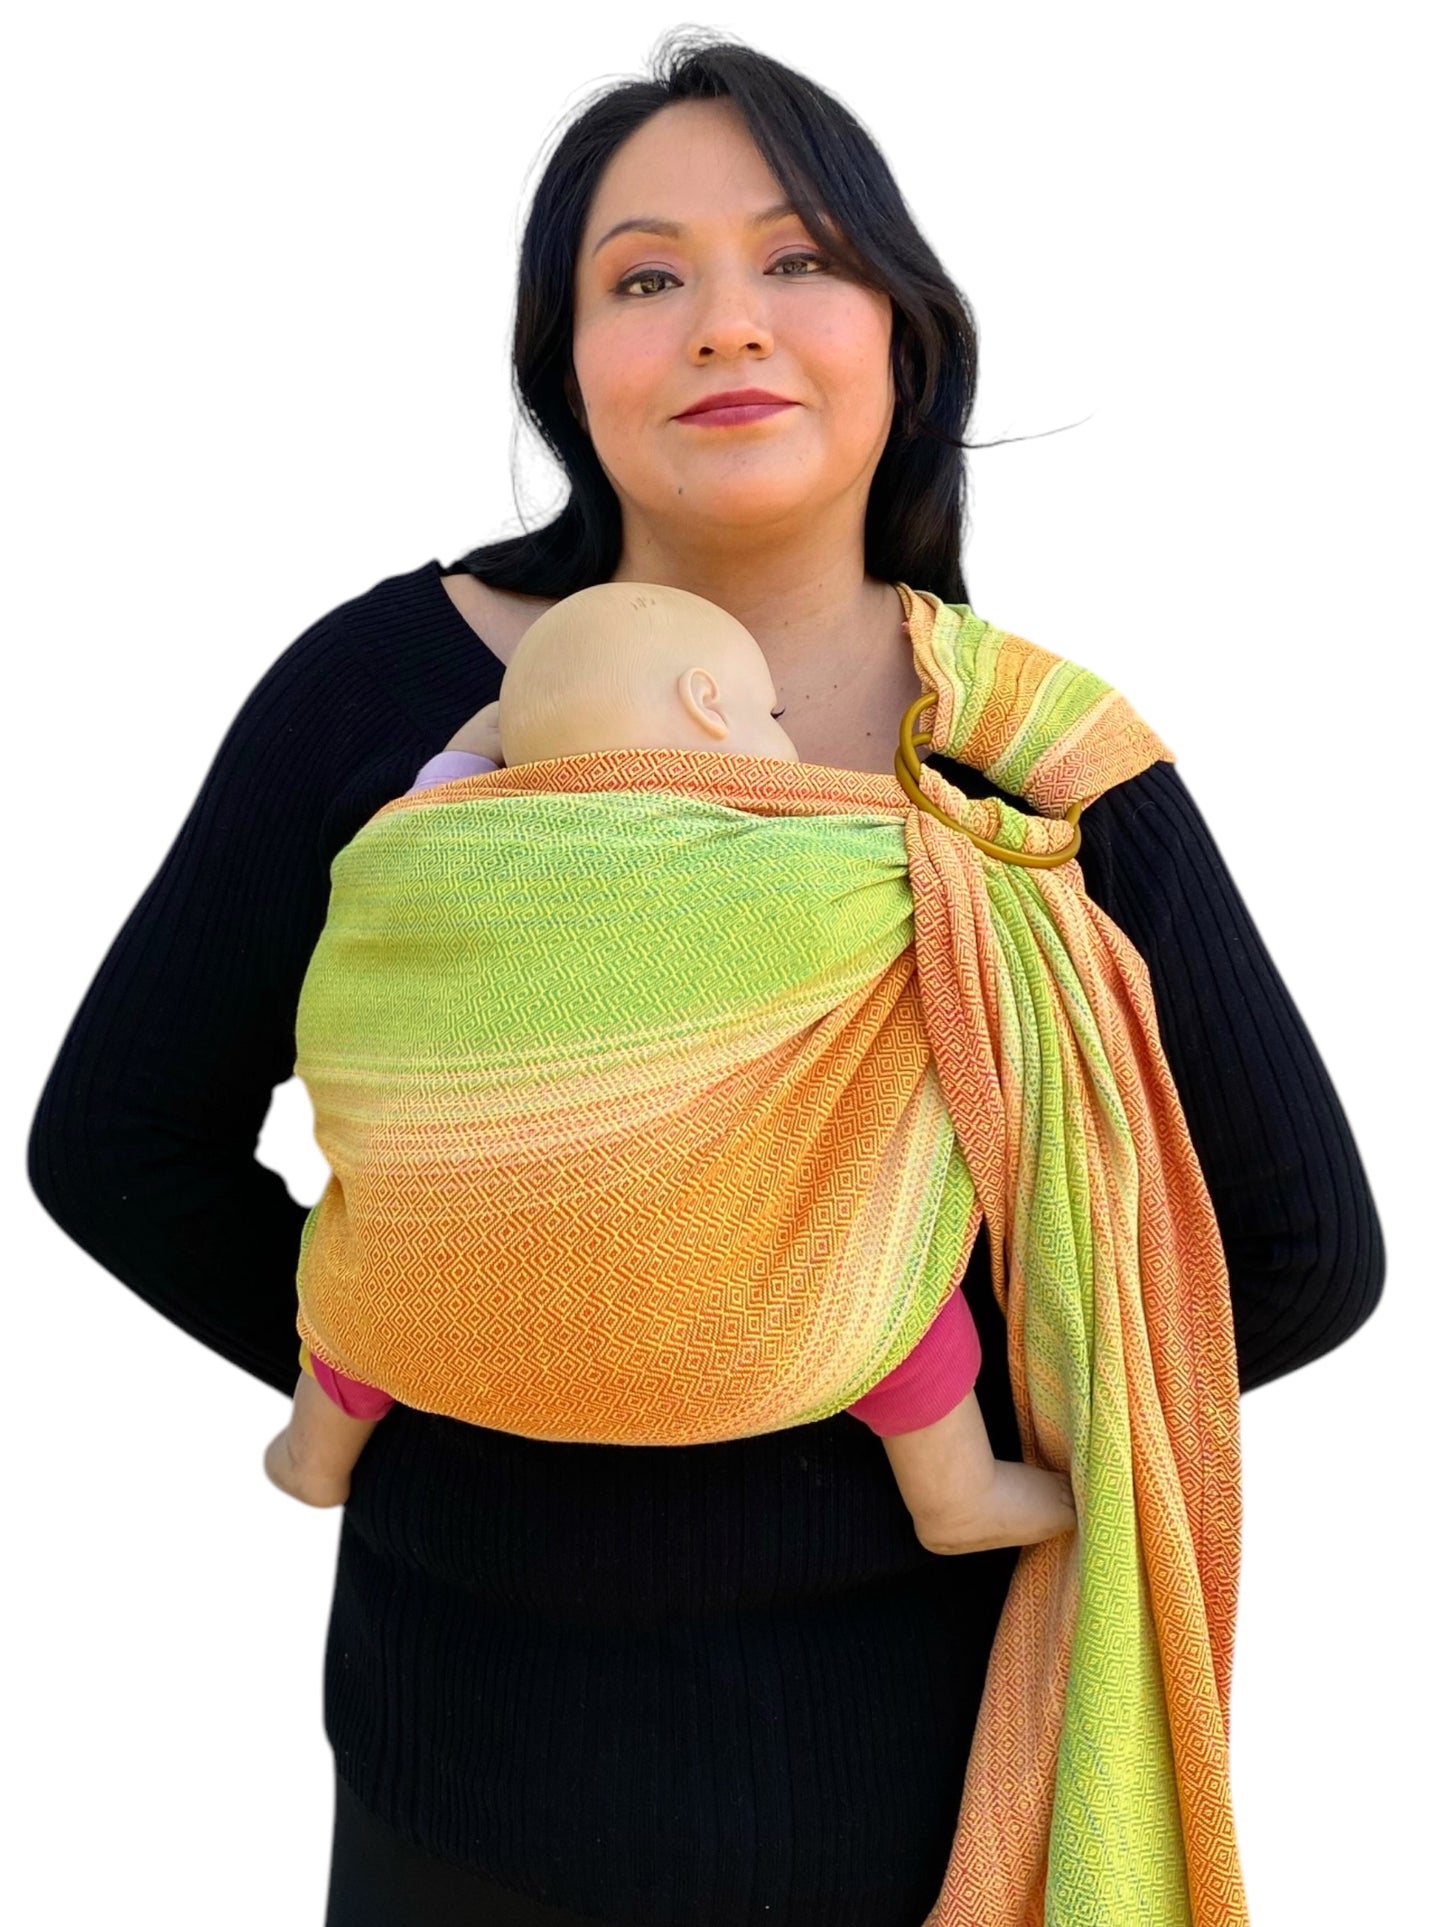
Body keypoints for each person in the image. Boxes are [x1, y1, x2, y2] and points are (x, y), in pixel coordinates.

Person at [25, 30, 1384, 1927]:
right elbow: (119, 1142)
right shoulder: (383, 694)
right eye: (644, 276)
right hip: (459, 1785)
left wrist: (786, 1349)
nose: (727, 321)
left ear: (902, 330)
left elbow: (1299, 1250)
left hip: (907, 1799)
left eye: (799, 257)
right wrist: (499, 1337)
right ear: (567, 365)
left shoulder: (1029, 771)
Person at [262, 581, 1077, 1563]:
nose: (787, 742)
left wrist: (486, 738)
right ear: (706, 703)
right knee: (888, 1271)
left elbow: (432, 799)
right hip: (755, 1334)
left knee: (360, 1288)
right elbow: (923, 887)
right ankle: (955, 1494)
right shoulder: (796, 870)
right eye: (771, 714)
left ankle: (314, 1454)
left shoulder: (418, 849)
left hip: (420, 1320)